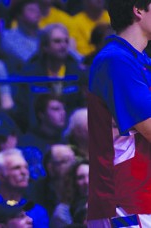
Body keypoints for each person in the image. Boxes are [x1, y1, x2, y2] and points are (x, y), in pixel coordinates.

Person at [87, 0, 151, 227]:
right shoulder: (116, 61)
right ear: (139, 10)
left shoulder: (138, 60)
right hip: (124, 200)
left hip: (137, 197)